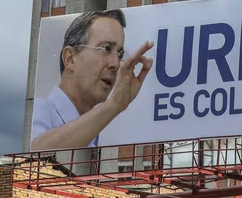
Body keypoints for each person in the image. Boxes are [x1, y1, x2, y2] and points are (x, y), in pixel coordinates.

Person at [30, 9, 154, 151]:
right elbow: (33, 156)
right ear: (70, 58)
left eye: (119, 54)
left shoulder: (98, 131)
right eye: (106, 48)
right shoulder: (41, 110)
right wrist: (114, 104)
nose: (116, 64)